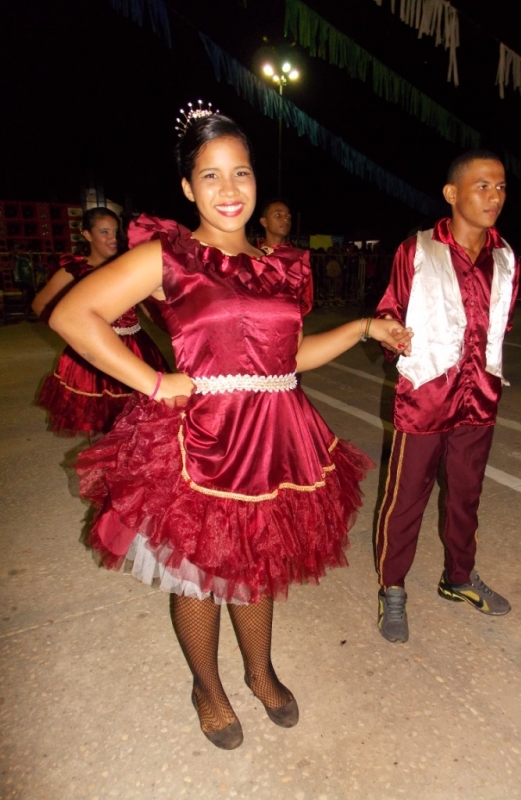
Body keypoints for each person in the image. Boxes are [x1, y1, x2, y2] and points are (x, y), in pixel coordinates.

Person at [49, 109, 412, 750]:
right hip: (204, 439)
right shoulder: (170, 256)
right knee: (198, 574)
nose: (229, 189)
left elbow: (288, 357)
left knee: (256, 565)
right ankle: (207, 687)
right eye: (210, 175)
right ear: (188, 188)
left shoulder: (282, 265)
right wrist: (156, 384)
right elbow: (74, 315)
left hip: (277, 435)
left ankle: (260, 671)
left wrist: (362, 328)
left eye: (240, 172)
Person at [374, 149, 520, 644]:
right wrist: (390, 331)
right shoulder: (416, 249)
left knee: (466, 498)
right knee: (405, 500)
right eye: (482, 186)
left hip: (479, 398)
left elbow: (501, 323)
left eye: (500, 187)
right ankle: (392, 587)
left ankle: (458, 578)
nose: (494, 196)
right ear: (452, 194)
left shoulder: (506, 257)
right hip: (425, 398)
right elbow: (389, 309)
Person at [33, 207, 169, 436]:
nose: (112, 238)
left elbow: (146, 308)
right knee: (100, 421)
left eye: (116, 232)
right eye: (104, 232)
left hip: (137, 345)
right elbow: (40, 305)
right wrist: (74, 332)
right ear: (86, 234)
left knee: (145, 415)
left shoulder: (128, 264)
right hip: (96, 349)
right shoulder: (74, 270)